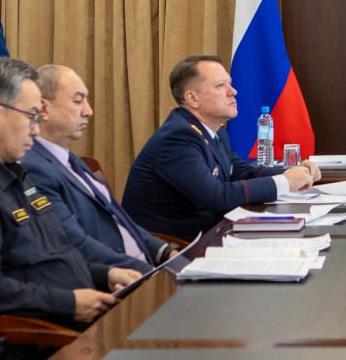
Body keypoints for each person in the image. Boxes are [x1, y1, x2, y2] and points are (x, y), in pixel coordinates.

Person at [0, 58, 140, 360]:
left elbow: (46, 257)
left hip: (71, 326)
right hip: (38, 345)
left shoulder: (11, 171)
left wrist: (104, 274)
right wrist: (69, 303)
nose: (37, 130)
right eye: (31, 117)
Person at [122, 55, 318, 241]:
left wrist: (293, 172)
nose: (233, 91)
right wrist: (284, 182)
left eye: (230, 83)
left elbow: (241, 171)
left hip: (211, 232)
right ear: (192, 98)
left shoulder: (215, 131)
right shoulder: (177, 138)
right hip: (175, 247)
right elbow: (217, 196)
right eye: (220, 85)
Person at [20, 64, 172, 274]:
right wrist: (152, 274)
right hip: (115, 282)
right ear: (44, 109)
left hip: (144, 268)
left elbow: (119, 221)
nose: (88, 111)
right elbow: (74, 243)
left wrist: (165, 252)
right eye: (77, 100)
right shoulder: (33, 168)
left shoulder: (70, 158)